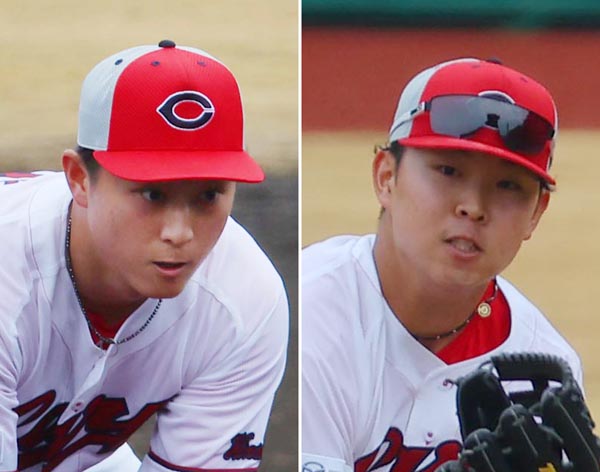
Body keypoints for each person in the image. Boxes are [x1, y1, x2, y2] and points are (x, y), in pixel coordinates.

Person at [0, 40, 289, 471]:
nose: (180, 233)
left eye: (209, 195)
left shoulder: (242, 298)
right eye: (152, 194)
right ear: (80, 179)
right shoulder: (10, 269)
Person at [301, 58, 582, 472]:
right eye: (449, 170)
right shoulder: (312, 314)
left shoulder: (541, 372)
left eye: (508, 185)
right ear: (386, 177)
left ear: (536, 213)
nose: (474, 206)